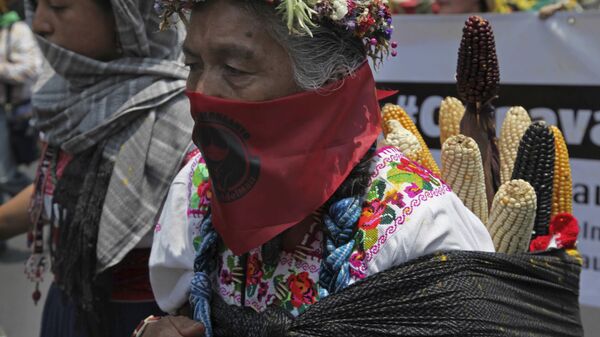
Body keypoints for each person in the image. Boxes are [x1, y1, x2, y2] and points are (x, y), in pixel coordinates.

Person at [146, 0, 495, 335]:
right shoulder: (198, 183)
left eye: (234, 70)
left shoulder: (418, 224)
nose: (202, 91)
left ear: (328, 80)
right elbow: (183, 310)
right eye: (193, 66)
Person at [0, 0, 194, 336]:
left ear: (125, 18)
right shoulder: (63, 95)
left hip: (143, 321)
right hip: (69, 305)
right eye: (37, 7)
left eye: (59, 7)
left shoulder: (185, 115)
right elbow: (59, 189)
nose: (40, 24)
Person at [0, 0, 41, 203]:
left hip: (14, 110)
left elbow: (31, 68)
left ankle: (39, 201)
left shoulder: (17, 30)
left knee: (4, 176)